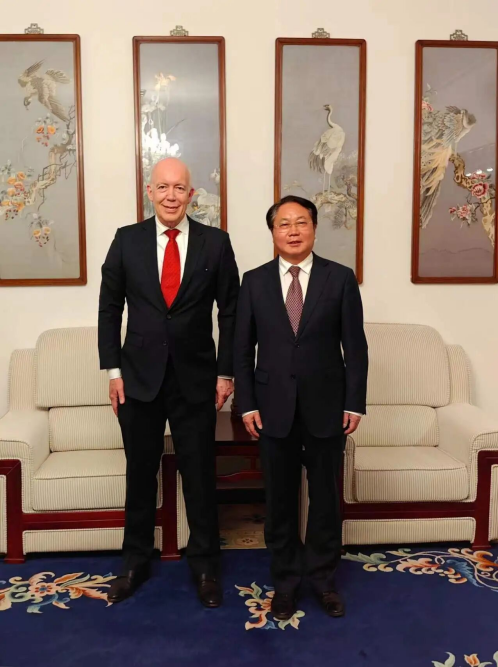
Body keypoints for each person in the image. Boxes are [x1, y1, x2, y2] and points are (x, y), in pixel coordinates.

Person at [98, 158, 239, 606]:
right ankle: (134, 562)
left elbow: (231, 313)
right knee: (140, 475)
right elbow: (109, 309)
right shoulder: (126, 240)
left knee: (199, 476)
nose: (171, 195)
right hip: (137, 379)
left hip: (196, 380)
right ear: (150, 192)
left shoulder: (216, 243)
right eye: (163, 187)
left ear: (191, 195)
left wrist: (225, 373)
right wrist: (113, 372)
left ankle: (206, 566)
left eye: (180, 188)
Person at [234, 195, 368, 620]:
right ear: (273, 232)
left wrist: (354, 402)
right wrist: (246, 404)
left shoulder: (339, 278)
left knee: (325, 499)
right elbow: (242, 349)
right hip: (272, 407)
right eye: (284, 224)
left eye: (301, 222)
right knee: (279, 502)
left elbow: (355, 347)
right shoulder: (253, 281)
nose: (293, 231)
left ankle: (324, 581)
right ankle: (286, 583)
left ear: (314, 228)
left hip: (328, 406)